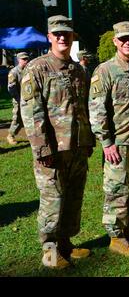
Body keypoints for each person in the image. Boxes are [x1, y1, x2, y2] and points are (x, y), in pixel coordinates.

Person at [20, 15, 94, 269]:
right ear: (49, 37)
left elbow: (83, 108)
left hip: (76, 148)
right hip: (52, 151)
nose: (63, 37)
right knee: (52, 201)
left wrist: (87, 141)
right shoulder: (37, 69)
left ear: (72, 36)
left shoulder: (78, 69)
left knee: (73, 199)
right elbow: (31, 113)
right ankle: (49, 252)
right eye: (57, 34)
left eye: (67, 33)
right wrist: (42, 149)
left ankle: (65, 245)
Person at [89, 21, 129, 257]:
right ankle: (115, 237)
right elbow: (97, 110)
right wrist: (106, 142)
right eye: (123, 39)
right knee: (117, 190)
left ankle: (127, 228)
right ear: (115, 41)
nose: (127, 42)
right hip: (118, 145)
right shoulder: (104, 71)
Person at [7, 52, 29, 145]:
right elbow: (11, 88)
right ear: (18, 60)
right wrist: (18, 99)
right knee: (18, 118)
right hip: (19, 99)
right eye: (23, 59)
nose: (26, 61)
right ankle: (11, 135)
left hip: (29, 98)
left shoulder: (29, 70)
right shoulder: (14, 72)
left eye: (27, 59)